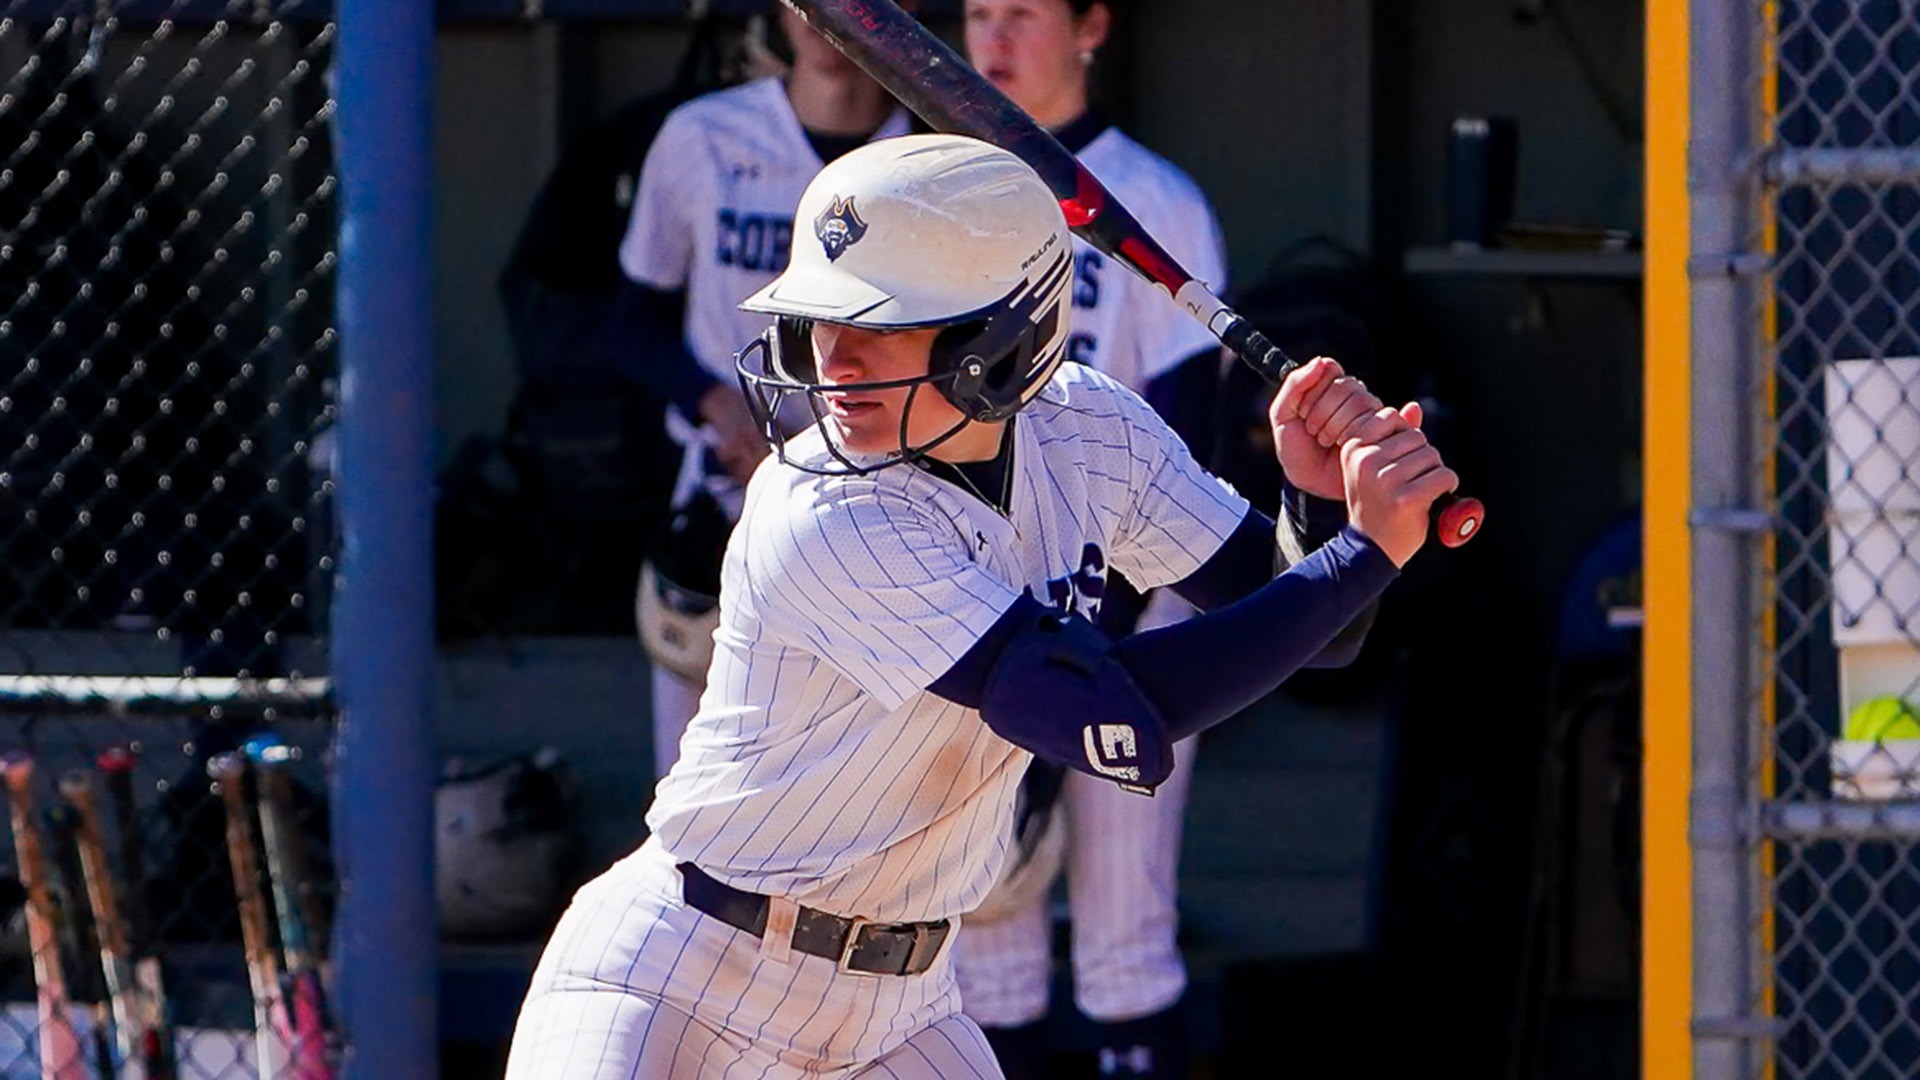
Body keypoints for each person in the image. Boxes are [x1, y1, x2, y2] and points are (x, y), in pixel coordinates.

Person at [504, 132, 1456, 1079]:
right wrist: (1366, 549)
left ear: (1002, 341)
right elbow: (1112, 714)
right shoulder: (824, 505)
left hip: (897, 1013)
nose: (834, 361)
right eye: (821, 321)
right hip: (680, 977)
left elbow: (1311, 630)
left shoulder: (1091, 427)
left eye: (879, 326)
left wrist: (1321, 502)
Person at [954, 2, 1236, 1074]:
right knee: (991, 941)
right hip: (982, 603)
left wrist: (1088, 652)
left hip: (1132, 601)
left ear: (1090, 27)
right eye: (980, 11)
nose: (995, 35)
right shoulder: (924, 181)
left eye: (1024, 10)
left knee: (1124, 936)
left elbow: (1182, 435)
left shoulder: (1152, 198)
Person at [612, 3, 917, 780]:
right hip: (725, 492)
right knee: (698, 793)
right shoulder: (702, 136)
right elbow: (632, 322)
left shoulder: (936, 156)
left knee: (855, 792)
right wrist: (713, 403)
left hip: (887, 502)